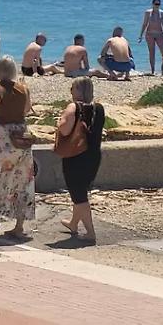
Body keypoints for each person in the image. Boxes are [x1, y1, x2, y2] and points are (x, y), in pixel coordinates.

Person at [0, 56, 36, 240]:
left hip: (2, 138)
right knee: (23, 181)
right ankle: (19, 225)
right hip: (21, 138)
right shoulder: (24, 89)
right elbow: (25, 111)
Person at [58, 76, 105, 243]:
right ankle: (73, 223)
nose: (71, 91)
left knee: (78, 195)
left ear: (78, 90)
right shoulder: (99, 108)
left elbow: (64, 130)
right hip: (93, 156)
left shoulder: (73, 107)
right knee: (81, 190)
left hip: (75, 156)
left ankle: (90, 232)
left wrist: (59, 121)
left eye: (73, 88)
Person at [139, 0, 163, 75]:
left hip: (160, 34)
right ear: (152, 4)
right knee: (152, 52)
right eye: (156, 4)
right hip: (149, 34)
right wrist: (141, 35)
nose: (157, 6)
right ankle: (153, 70)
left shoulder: (162, 13)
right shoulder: (148, 12)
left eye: (158, 4)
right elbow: (144, 24)